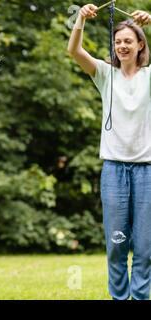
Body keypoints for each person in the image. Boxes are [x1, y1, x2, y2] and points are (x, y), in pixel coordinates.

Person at [68, 3, 151, 300]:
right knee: (117, 244)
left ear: (141, 44)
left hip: (147, 171)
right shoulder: (104, 74)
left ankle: (140, 297)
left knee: (144, 246)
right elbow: (74, 51)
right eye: (117, 42)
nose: (122, 46)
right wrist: (80, 18)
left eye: (128, 40)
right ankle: (119, 297)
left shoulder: (149, 76)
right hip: (114, 170)